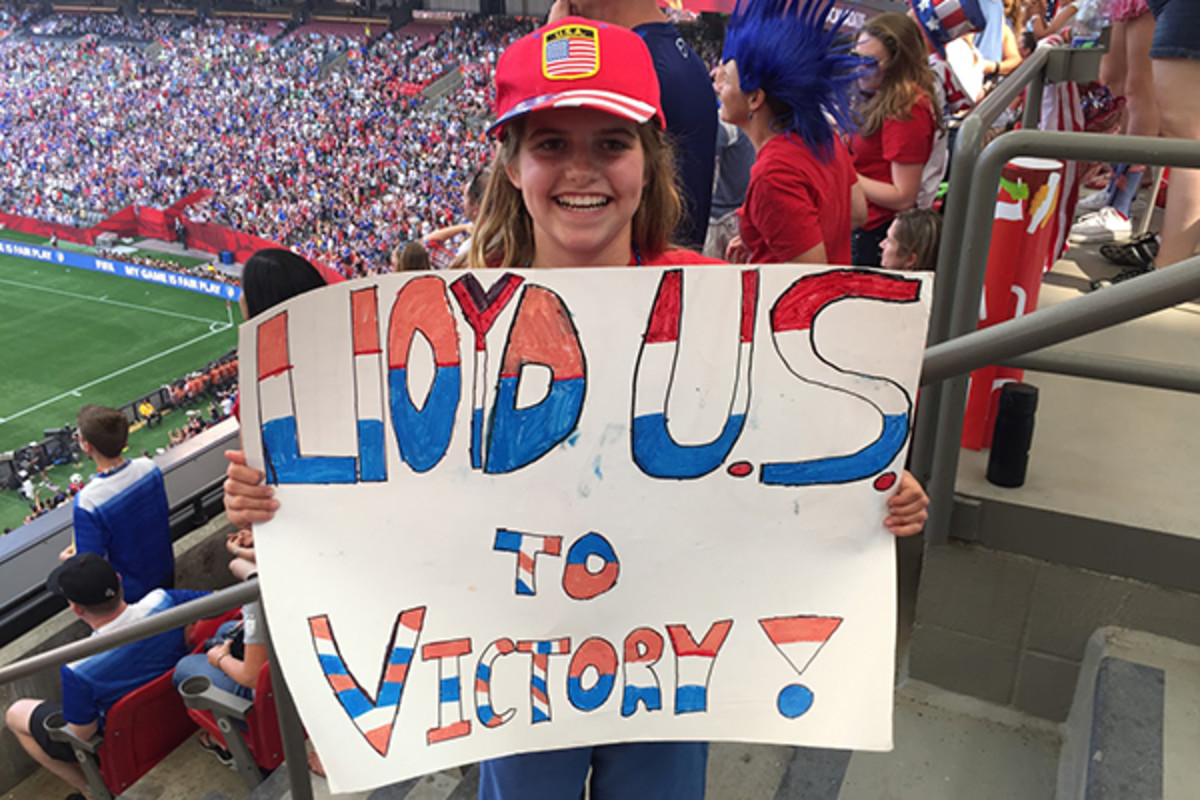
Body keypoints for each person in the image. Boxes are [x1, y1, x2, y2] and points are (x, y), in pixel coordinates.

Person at [224, 17, 931, 799]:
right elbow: (394, 489)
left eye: (611, 142)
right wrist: (278, 502)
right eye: (551, 144)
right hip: (517, 663)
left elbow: (793, 453)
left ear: (650, 159)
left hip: (667, 654)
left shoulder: (711, 297)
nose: (581, 170)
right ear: (513, 164)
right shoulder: (449, 321)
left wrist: (871, 497)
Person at [5, 554, 207, 796]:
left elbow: (81, 734)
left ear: (76, 608)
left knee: (16, 714)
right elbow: (223, 604)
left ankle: (92, 792)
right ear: (119, 580)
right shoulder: (166, 600)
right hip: (182, 711)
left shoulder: (78, 668)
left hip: (127, 743)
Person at [548, 0, 717, 250]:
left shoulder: (634, 65)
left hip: (637, 272)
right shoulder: (672, 55)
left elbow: (538, 170)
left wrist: (555, 43)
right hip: (662, 270)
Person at [717, 0, 866, 265]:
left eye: (726, 79)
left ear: (755, 99)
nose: (717, 87)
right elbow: (857, 211)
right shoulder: (822, 136)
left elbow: (809, 277)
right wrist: (769, 232)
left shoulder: (773, 174)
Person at [851, 12, 940, 266]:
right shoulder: (882, 97)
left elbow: (903, 195)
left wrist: (843, 172)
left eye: (869, 62)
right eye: (856, 58)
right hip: (863, 222)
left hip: (873, 233)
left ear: (897, 64)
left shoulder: (906, 109)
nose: (859, 68)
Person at [60, 404, 173, 604]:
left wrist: (70, 561)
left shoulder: (89, 500)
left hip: (129, 595)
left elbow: (89, 566)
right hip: (165, 571)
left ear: (86, 445)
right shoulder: (149, 468)